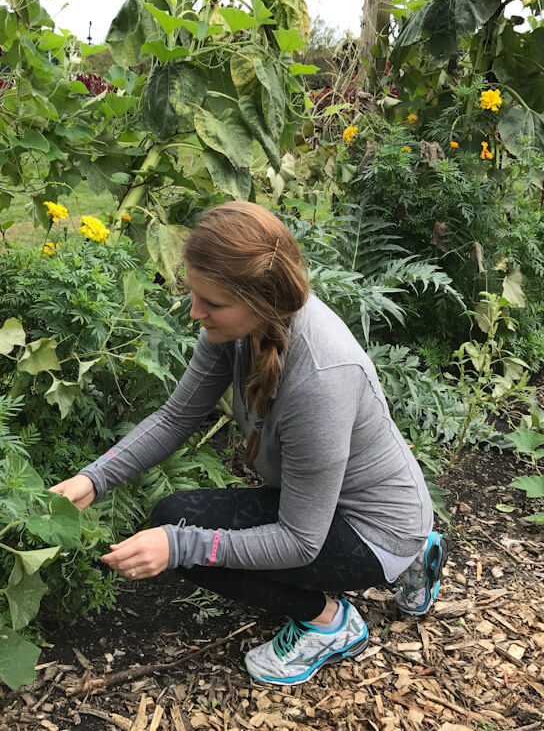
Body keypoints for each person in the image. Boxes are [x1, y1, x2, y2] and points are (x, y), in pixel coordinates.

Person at [50, 201, 448, 686]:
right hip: (327, 506)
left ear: (262, 298)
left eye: (212, 304)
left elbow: (300, 542)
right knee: (181, 525)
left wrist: (177, 546)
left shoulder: (321, 379)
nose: (196, 313)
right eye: (195, 295)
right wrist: (93, 479)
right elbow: (177, 416)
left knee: (182, 535)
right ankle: (413, 561)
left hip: (374, 528)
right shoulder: (237, 330)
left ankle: (331, 622)